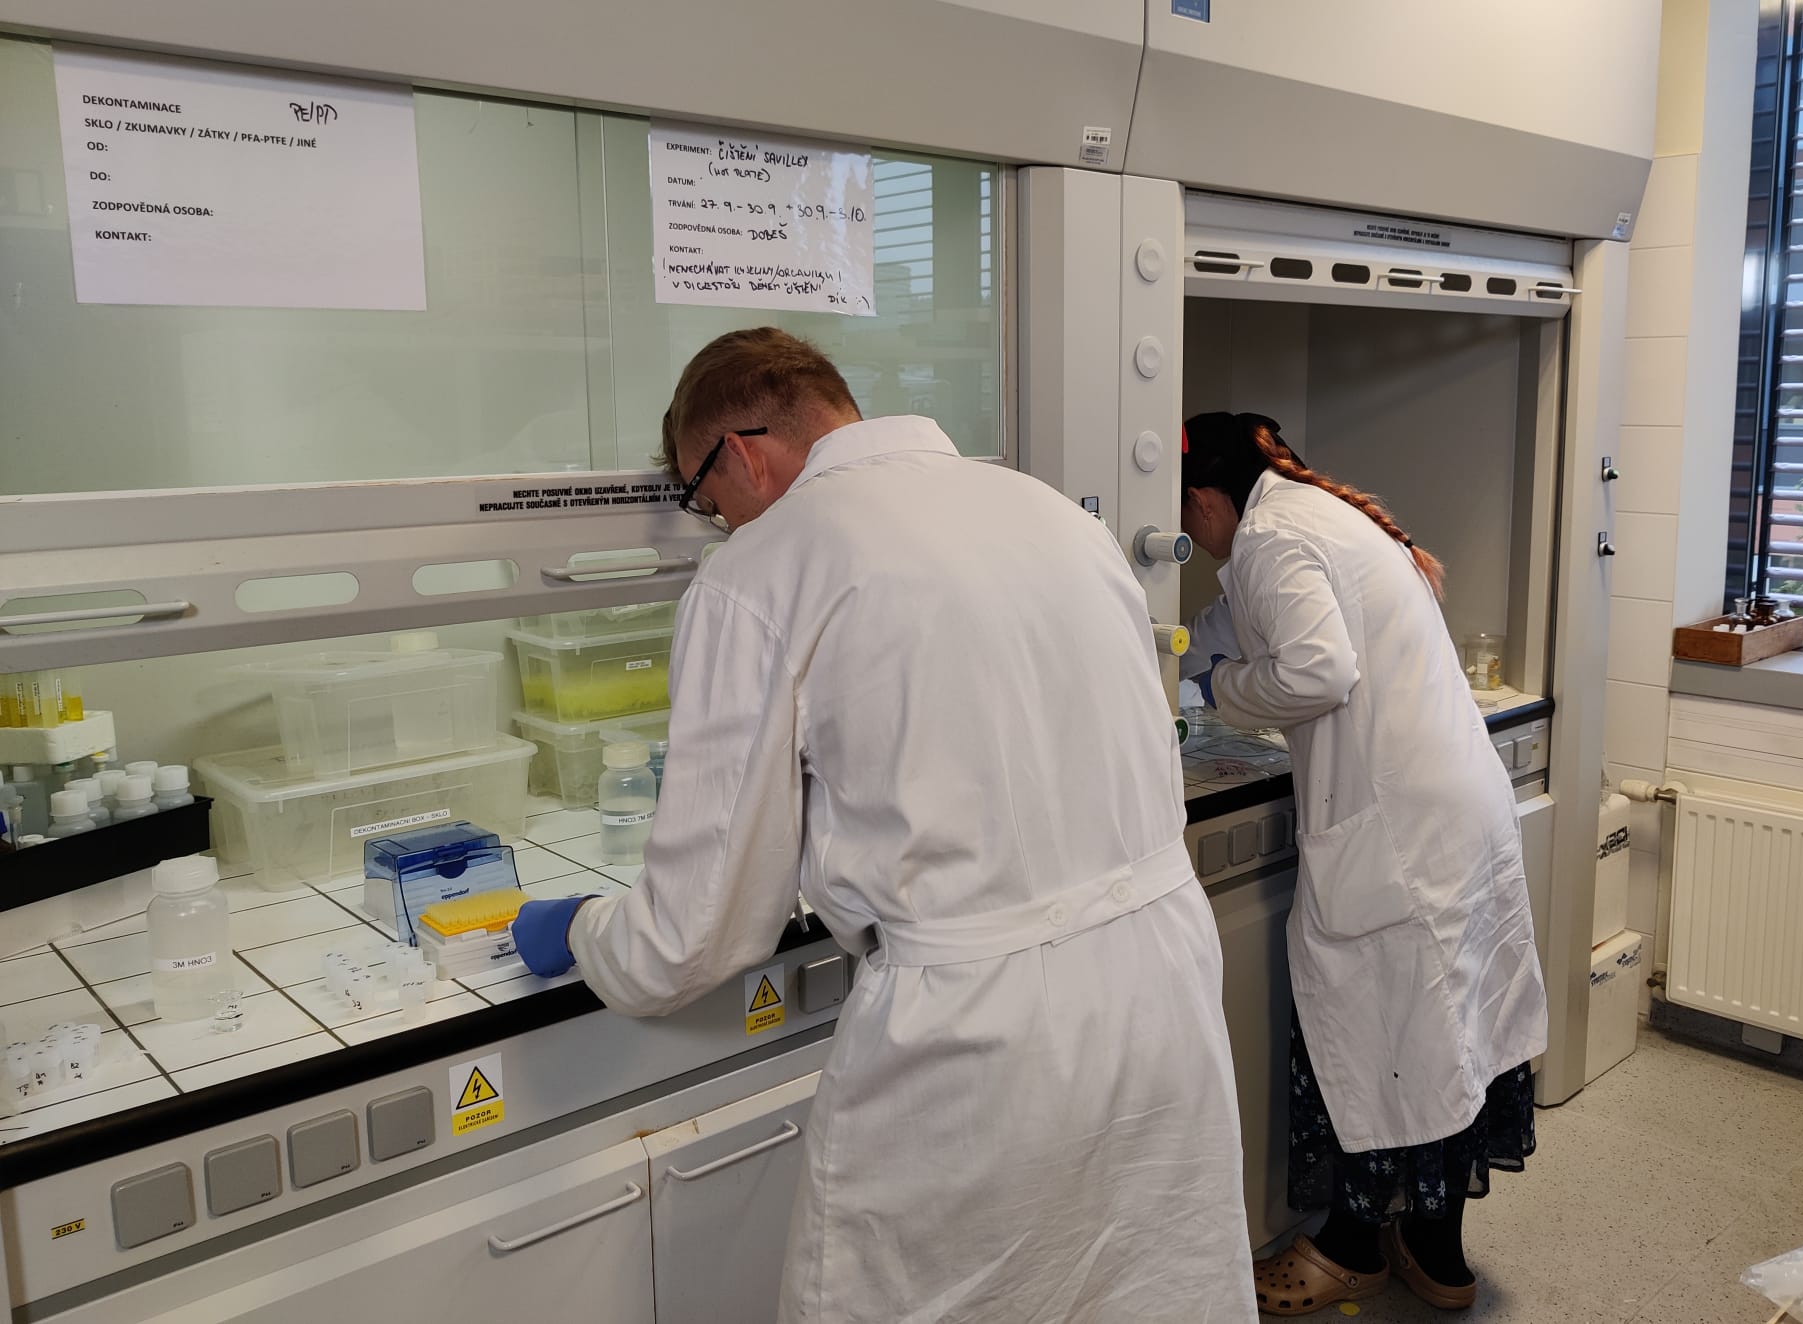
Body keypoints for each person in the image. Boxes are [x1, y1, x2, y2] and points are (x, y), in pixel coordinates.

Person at [512, 328, 1257, 1323]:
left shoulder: (761, 571)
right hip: (1161, 978)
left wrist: (579, 933)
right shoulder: (1048, 512)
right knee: (1138, 1285)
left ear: (737, 451)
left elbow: (695, 934)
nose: (713, 523)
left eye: (700, 500)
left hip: (976, 1034)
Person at [1179, 411, 1546, 1315]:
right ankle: (1434, 1250)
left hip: (1400, 836)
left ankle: (1350, 1248)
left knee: (1383, 1037)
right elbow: (1224, 624)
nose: (1190, 540)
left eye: (1186, 522)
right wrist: (1182, 658)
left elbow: (1316, 674)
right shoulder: (1315, 515)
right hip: (1454, 814)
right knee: (1447, 1037)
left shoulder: (1269, 534)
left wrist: (1212, 692)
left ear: (1204, 498)